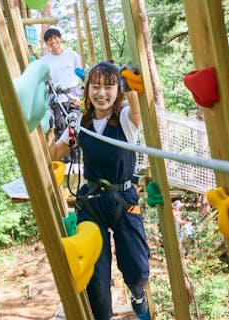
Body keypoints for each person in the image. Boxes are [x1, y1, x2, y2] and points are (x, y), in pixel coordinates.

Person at [47, 61, 150, 320]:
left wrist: (132, 87)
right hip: (91, 201)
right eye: (95, 86)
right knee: (95, 275)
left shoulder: (125, 119)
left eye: (109, 87)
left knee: (136, 268)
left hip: (123, 199)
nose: (101, 93)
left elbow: (138, 113)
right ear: (87, 90)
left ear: (117, 91)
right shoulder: (80, 124)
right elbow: (55, 153)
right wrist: (46, 126)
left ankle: (137, 293)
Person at [41, 28, 83, 167]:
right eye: (49, 40)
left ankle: (76, 162)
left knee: (73, 128)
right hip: (57, 99)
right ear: (46, 43)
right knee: (61, 129)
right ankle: (66, 163)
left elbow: (82, 73)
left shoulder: (72, 55)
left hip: (72, 97)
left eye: (55, 38)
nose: (53, 42)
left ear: (60, 38)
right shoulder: (45, 61)